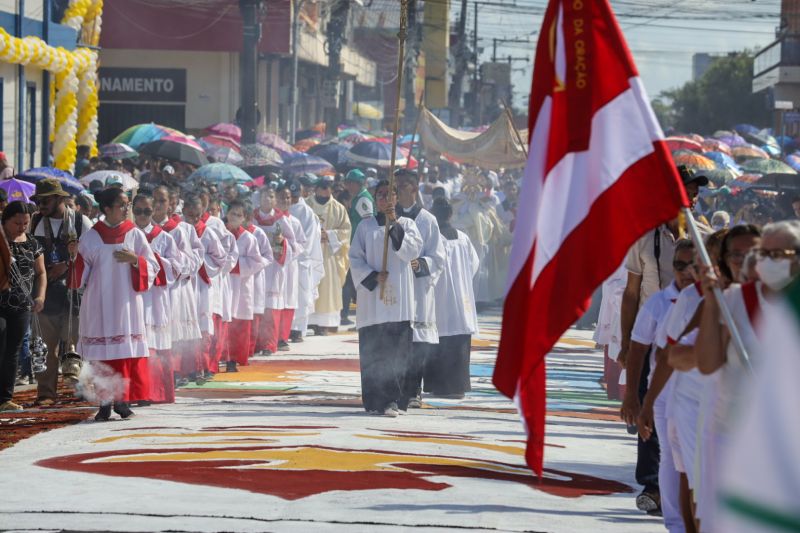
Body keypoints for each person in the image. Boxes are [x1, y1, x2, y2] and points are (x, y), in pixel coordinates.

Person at [618, 166, 708, 513]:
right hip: (650, 337)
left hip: (691, 341)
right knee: (647, 410)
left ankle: (689, 486)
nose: (693, 197)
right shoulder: (643, 239)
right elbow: (630, 293)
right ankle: (653, 486)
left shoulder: (706, 237)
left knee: (686, 413)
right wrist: (626, 343)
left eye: (696, 191)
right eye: (687, 190)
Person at [622, 239, 698, 531]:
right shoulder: (658, 302)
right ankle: (677, 523)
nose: (686, 272)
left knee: (698, 462)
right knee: (672, 456)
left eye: (693, 265)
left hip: (705, 392)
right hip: (666, 391)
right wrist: (636, 398)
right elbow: (641, 350)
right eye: (679, 265)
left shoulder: (712, 299)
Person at [70, 188, 159, 421]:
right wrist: (74, 257)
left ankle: (122, 401)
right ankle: (104, 403)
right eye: (122, 205)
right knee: (101, 357)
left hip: (126, 303)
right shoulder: (91, 237)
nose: (126, 209)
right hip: (98, 304)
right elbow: (79, 278)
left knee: (123, 354)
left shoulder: (135, 234)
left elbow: (153, 266)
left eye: (127, 204)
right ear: (107, 209)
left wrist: (136, 261)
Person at [349, 180, 423, 417]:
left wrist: (394, 227)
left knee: (397, 352)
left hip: (399, 301)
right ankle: (374, 400)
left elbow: (412, 252)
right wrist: (372, 276)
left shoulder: (408, 224)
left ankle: (392, 400)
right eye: (379, 195)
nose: (383, 199)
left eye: (387, 195)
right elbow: (355, 258)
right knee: (374, 350)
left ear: (395, 198)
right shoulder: (364, 227)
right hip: (373, 301)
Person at [30, 179, 93, 406]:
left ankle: (83, 389)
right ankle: (46, 393)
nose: (41, 204)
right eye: (38, 200)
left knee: (76, 347)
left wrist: (66, 264)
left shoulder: (80, 221)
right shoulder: (35, 222)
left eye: (45, 200)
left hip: (73, 294)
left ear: (59, 198)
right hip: (45, 295)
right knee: (45, 348)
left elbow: (90, 255)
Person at [394, 171, 445, 408]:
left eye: (401, 186)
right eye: (394, 186)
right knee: (395, 340)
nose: (396, 191)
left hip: (417, 288)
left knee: (416, 341)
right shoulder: (387, 217)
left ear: (413, 189)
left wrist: (420, 263)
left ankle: (414, 389)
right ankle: (395, 388)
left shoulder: (427, 220)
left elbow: (438, 257)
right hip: (394, 289)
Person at [424, 198, 479, 398]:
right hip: (461, 295)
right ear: (450, 215)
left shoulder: (431, 238)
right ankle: (457, 386)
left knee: (439, 338)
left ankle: (439, 385)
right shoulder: (463, 238)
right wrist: (462, 281)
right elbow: (474, 264)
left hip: (439, 294)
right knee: (458, 340)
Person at [132, 194, 181, 404]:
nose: (142, 216)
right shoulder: (128, 235)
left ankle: (156, 392)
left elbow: (177, 268)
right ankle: (137, 392)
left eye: (147, 211)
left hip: (156, 298)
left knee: (155, 344)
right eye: (138, 211)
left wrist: (153, 261)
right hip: (134, 297)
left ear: (154, 212)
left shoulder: (164, 237)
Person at [152, 185, 202, 384]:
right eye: (154, 200)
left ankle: (173, 371)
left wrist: (167, 265)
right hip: (150, 291)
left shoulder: (179, 231)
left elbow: (192, 261)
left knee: (172, 333)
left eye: (162, 201)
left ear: (170, 205)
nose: (157, 205)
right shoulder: (140, 229)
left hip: (174, 289)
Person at [0, 202, 45, 412]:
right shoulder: (1, 240)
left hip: (22, 306)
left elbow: (41, 272)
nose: (21, 227)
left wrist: (40, 296)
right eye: (17, 223)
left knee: (13, 352)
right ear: (5, 220)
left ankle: (5, 398)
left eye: (25, 223)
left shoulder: (32, 243)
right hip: (1, 302)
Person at [182, 194, 226, 381]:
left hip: (201, 285)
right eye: (189, 216)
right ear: (183, 212)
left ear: (202, 214)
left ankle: (203, 367)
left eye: (196, 216)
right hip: (184, 284)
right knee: (184, 327)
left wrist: (201, 262)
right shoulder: (180, 231)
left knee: (203, 328)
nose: (193, 220)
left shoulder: (208, 233)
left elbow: (221, 258)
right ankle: (187, 369)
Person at [225, 200, 269, 371]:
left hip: (242, 284)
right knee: (225, 322)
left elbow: (257, 262)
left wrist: (235, 265)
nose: (235, 218)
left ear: (244, 218)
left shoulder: (249, 238)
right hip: (226, 283)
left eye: (239, 215)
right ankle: (223, 355)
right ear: (226, 214)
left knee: (240, 323)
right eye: (232, 214)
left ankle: (235, 358)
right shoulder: (220, 234)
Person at [307, 176, 352, 335]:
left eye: (328, 187)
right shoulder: (307, 205)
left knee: (327, 288)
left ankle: (323, 324)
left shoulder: (338, 208)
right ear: (316, 189)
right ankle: (307, 322)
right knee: (309, 284)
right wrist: (313, 235)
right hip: (310, 253)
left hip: (329, 255)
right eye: (323, 187)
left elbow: (346, 231)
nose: (326, 191)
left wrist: (330, 235)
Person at [287, 178, 324, 342]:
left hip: (300, 260)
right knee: (286, 295)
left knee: (301, 296)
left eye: (295, 195)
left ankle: (298, 329)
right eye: (290, 195)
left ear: (301, 193)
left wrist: (290, 249)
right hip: (284, 260)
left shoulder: (307, 212)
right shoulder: (282, 208)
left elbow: (308, 240)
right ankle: (285, 328)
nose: (293, 199)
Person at [342, 169, 375, 326]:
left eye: (350, 183)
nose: (347, 186)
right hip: (356, 245)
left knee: (352, 282)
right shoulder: (358, 198)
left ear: (357, 184)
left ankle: (348, 315)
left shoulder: (363, 200)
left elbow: (368, 224)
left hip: (361, 247)